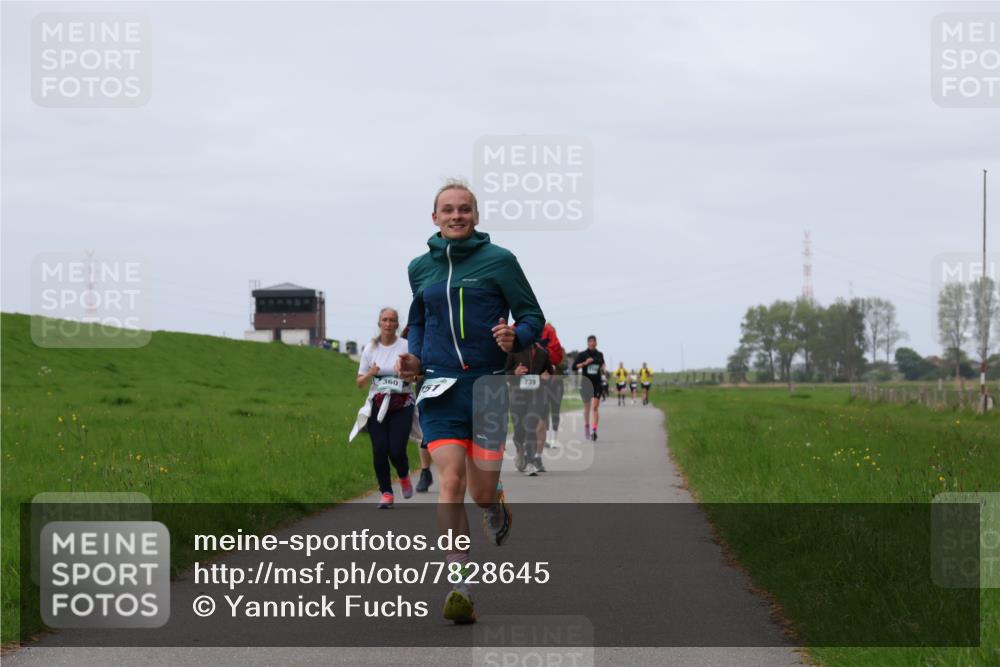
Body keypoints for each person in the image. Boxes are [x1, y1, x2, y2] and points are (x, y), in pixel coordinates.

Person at [396, 180, 544, 624]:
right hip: (439, 389)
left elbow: (532, 315)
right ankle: (461, 583)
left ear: (476, 217)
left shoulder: (500, 261)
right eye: (448, 210)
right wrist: (415, 357)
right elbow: (418, 320)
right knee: (450, 482)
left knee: (479, 493)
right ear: (434, 217)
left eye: (464, 209)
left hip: (488, 387)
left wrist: (515, 336)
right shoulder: (420, 268)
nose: (456, 216)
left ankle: (494, 504)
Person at [356, 308, 414, 509]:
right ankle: (386, 493)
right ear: (379, 323)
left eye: (392, 320)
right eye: (385, 320)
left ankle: (404, 475)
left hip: (402, 403)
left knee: (396, 449)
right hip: (377, 404)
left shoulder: (406, 346)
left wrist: (406, 374)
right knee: (379, 449)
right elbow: (360, 383)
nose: (388, 324)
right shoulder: (370, 349)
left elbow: (417, 375)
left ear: (398, 324)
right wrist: (370, 373)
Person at [506, 341, 554, 476]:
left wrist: (547, 377)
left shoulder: (542, 353)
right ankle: (520, 452)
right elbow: (505, 374)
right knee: (519, 432)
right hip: (518, 395)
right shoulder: (513, 351)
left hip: (537, 395)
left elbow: (550, 372)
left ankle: (530, 462)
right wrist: (514, 373)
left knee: (530, 425)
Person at [401, 325, 434, 492]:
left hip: (451, 378)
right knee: (425, 431)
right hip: (424, 384)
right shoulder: (416, 325)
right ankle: (425, 472)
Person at [573, 336, 605, 441]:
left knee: (595, 407)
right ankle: (587, 426)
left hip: (597, 384)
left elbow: (603, 364)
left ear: (596, 343)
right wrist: (584, 363)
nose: (592, 343)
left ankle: (594, 430)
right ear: (587, 343)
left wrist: (604, 368)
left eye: (594, 341)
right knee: (587, 408)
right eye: (590, 341)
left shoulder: (599, 355)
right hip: (586, 384)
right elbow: (574, 366)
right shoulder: (583, 354)